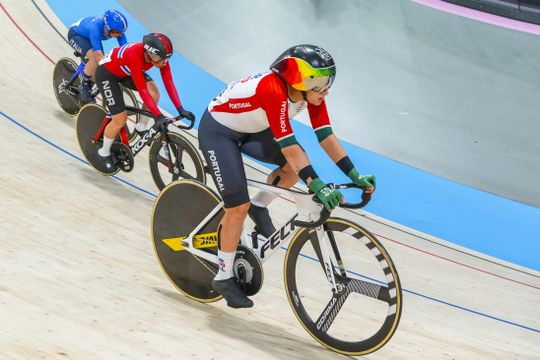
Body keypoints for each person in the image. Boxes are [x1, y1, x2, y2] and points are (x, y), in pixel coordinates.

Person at [198, 44, 376, 308]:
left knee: (293, 168)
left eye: (328, 81)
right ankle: (223, 277)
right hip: (219, 132)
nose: (326, 90)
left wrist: (354, 174)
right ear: (298, 80)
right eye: (320, 83)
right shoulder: (273, 89)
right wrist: (317, 185)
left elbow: (326, 136)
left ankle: (259, 206)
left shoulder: (311, 96)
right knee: (237, 207)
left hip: (253, 128)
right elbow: (290, 148)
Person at [94, 33, 195, 172]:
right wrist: (158, 116)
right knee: (119, 119)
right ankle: (103, 152)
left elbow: (169, 82)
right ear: (149, 53)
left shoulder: (161, 56)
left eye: (166, 59)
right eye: (160, 59)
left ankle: (141, 126)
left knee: (154, 93)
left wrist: (180, 108)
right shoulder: (134, 55)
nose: (163, 63)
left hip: (125, 70)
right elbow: (142, 90)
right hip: (107, 74)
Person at [67, 10, 129, 104]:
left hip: (89, 36)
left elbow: (126, 50)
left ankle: (89, 83)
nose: (118, 35)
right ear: (108, 27)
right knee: (95, 59)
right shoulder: (95, 29)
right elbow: (99, 56)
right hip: (76, 35)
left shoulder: (117, 30)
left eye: (121, 32)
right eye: (116, 32)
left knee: (100, 67)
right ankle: (84, 86)